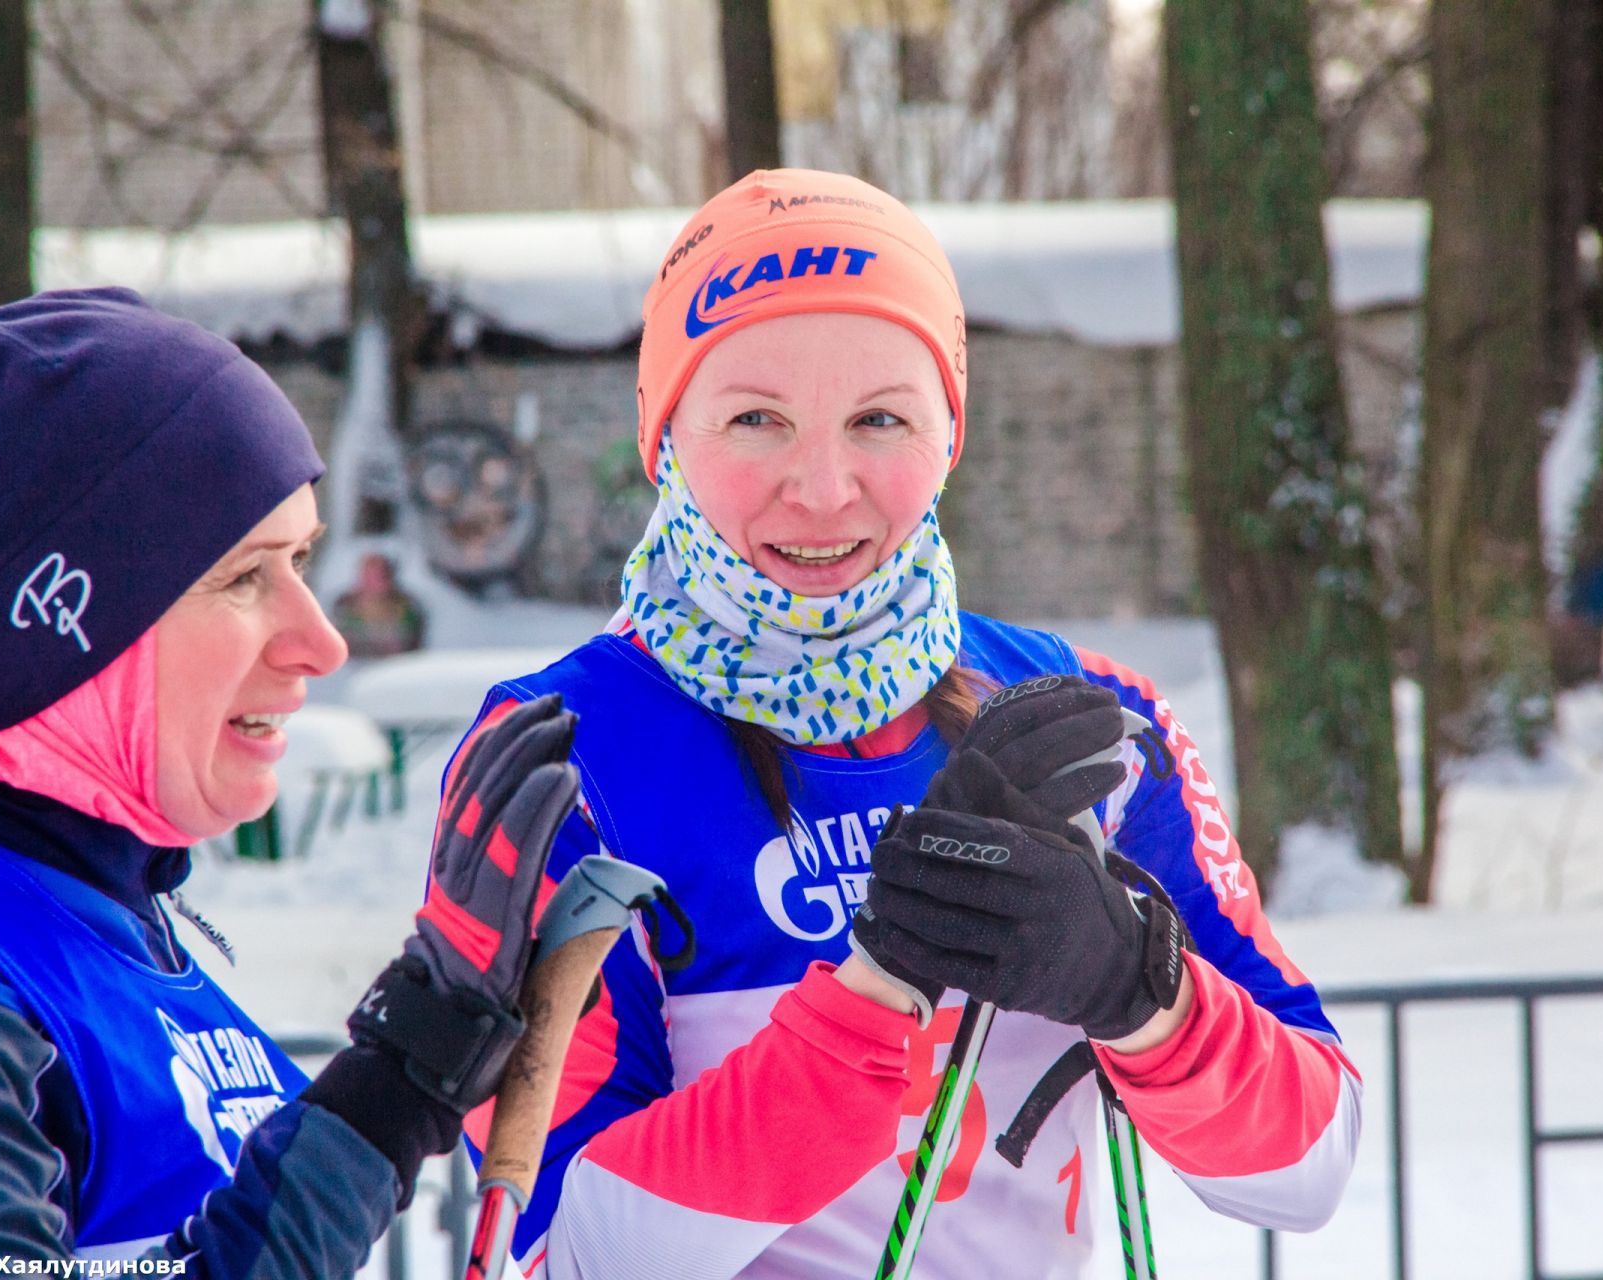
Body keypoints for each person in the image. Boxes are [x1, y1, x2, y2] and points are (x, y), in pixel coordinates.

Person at [444, 170, 1363, 1278]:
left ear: (948, 436)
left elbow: (1307, 1167)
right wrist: (877, 991)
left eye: (880, 417)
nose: (825, 487)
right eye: (755, 419)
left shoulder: (1085, 719)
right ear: (666, 435)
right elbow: (547, 1250)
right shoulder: (566, 751)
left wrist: (1138, 986)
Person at [0, 289, 580, 1275]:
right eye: (246, 575)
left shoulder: (89, 907)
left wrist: (413, 1067)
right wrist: (394, 1084)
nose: (323, 640)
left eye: (302, 557)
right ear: (66, 627)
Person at [332, 552, 425, 659]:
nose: (367, 582)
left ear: (388, 580)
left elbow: (408, 650)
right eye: (364, 575)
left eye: (375, 577)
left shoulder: (407, 610)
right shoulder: (343, 608)